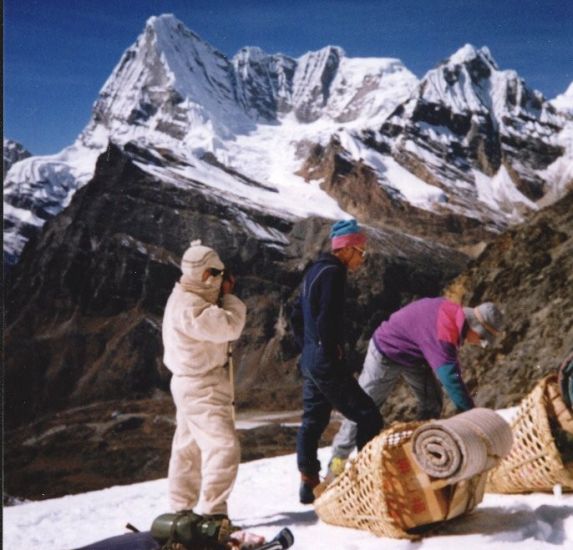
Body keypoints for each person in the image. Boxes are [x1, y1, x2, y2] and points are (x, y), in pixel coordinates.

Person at [327, 298, 505, 478]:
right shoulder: (446, 330)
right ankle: (336, 465)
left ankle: (419, 455)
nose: (479, 343)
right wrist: (469, 413)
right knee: (362, 409)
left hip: (414, 356)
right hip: (386, 351)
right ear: (476, 327)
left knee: (432, 403)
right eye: (482, 338)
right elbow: (451, 379)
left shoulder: (453, 316)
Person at [290, 219, 383, 504]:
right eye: (361, 252)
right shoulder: (334, 273)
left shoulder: (314, 270)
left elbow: (295, 313)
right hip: (325, 360)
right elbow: (328, 317)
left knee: (313, 420)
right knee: (367, 415)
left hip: (310, 358)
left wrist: (308, 346)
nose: (362, 258)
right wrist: (330, 351)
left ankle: (309, 482)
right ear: (347, 248)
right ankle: (369, 478)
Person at [162, 240, 247, 528]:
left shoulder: (183, 297)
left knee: (188, 447)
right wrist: (230, 297)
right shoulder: (192, 308)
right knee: (223, 446)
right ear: (208, 275)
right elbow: (230, 326)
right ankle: (213, 513)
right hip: (202, 385)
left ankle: (181, 508)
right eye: (219, 275)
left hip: (188, 382)